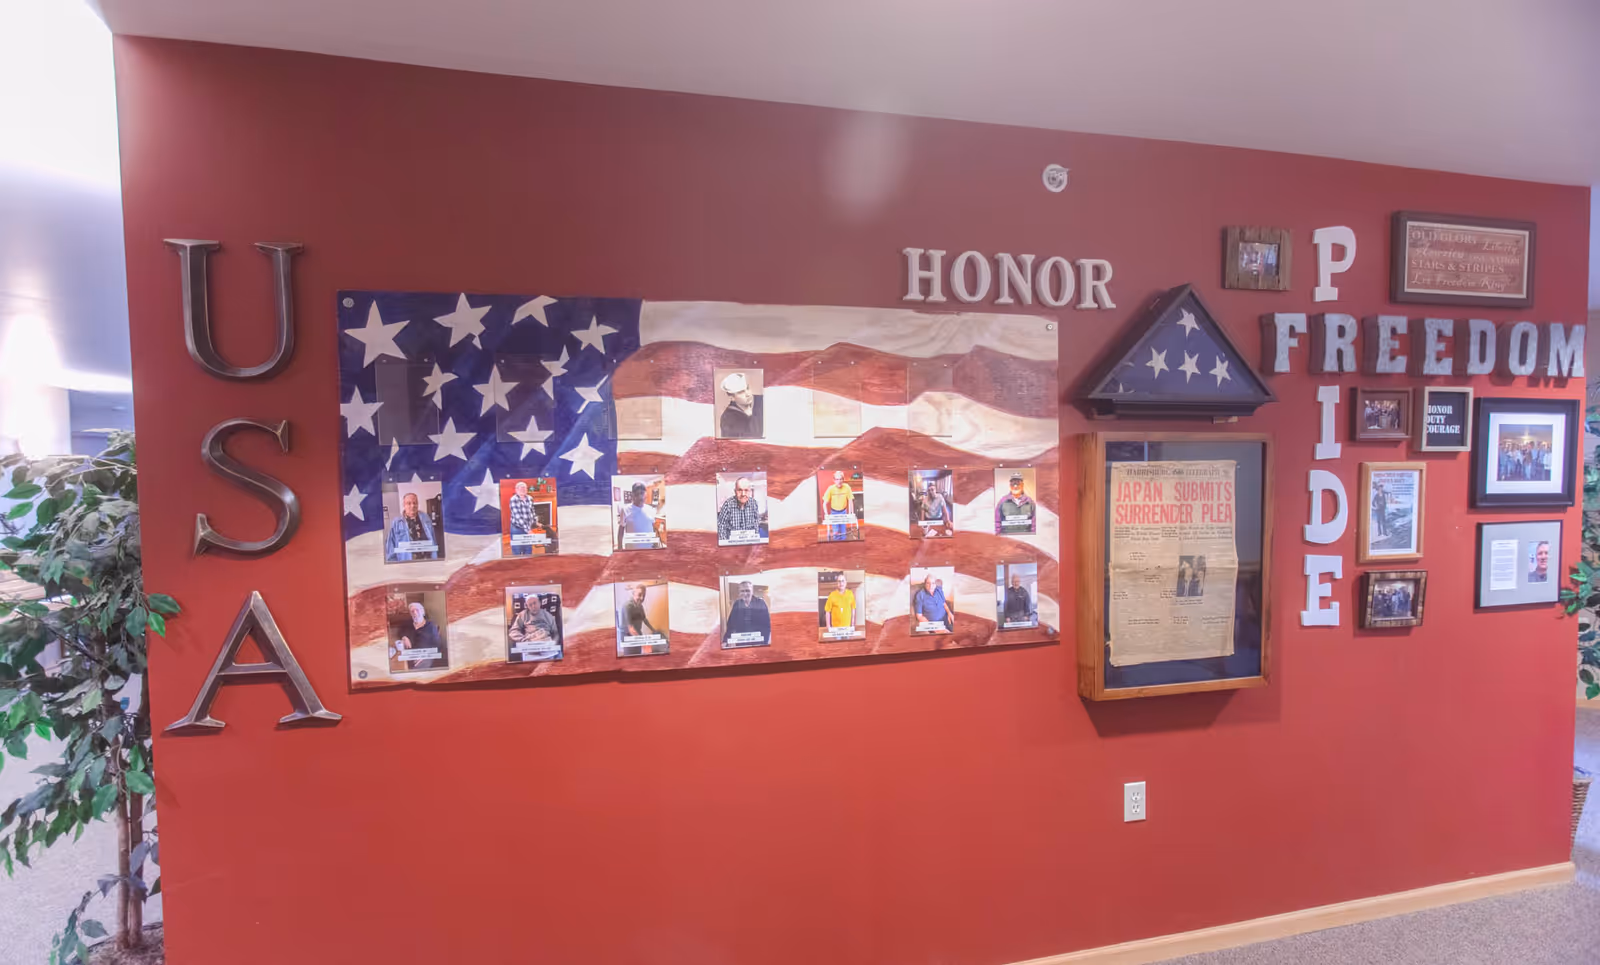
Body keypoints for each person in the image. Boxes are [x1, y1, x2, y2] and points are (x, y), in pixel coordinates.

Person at [385, 491, 438, 562]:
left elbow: (433, 539)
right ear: (404, 505)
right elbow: (390, 547)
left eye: (414, 503)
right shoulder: (396, 523)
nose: (412, 506)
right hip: (407, 563)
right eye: (409, 503)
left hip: (427, 560)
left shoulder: (426, 518)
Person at [393, 601, 445, 670]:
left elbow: (437, 644)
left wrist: (425, 655)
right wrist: (404, 637)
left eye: (417, 610)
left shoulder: (431, 626)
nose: (415, 613)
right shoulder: (408, 623)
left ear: (423, 612)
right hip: (409, 653)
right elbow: (400, 631)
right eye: (412, 611)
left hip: (424, 657)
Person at [717, 476, 765, 543]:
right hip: (731, 545)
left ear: (750, 491)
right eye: (740, 490)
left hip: (749, 544)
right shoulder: (727, 505)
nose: (743, 494)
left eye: (746, 490)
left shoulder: (754, 504)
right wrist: (726, 546)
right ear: (735, 491)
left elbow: (756, 524)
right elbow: (721, 526)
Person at [718, 371, 764, 438]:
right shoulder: (728, 418)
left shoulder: (761, 401)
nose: (748, 394)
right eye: (741, 392)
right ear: (732, 398)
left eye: (747, 388)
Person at [619, 482, 659, 548]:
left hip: (649, 548)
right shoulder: (625, 509)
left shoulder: (651, 509)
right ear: (632, 495)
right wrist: (620, 548)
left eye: (642, 493)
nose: (640, 497)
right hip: (632, 549)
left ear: (645, 494)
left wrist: (655, 543)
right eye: (637, 494)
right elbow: (621, 530)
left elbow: (653, 528)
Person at [821, 470, 857, 541]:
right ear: (834, 480)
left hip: (843, 512)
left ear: (843, 479)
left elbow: (850, 501)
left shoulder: (847, 487)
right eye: (837, 479)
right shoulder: (830, 488)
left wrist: (851, 513)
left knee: (843, 533)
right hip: (834, 513)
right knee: (836, 533)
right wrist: (826, 514)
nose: (839, 481)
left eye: (841, 479)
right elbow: (824, 503)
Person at [507, 480, 536, 556]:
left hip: (528, 528)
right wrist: (528, 530)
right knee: (517, 551)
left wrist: (536, 522)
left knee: (528, 550)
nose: (523, 490)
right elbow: (518, 517)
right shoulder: (513, 500)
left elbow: (532, 511)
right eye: (521, 488)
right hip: (517, 529)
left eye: (525, 488)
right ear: (516, 490)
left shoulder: (530, 498)